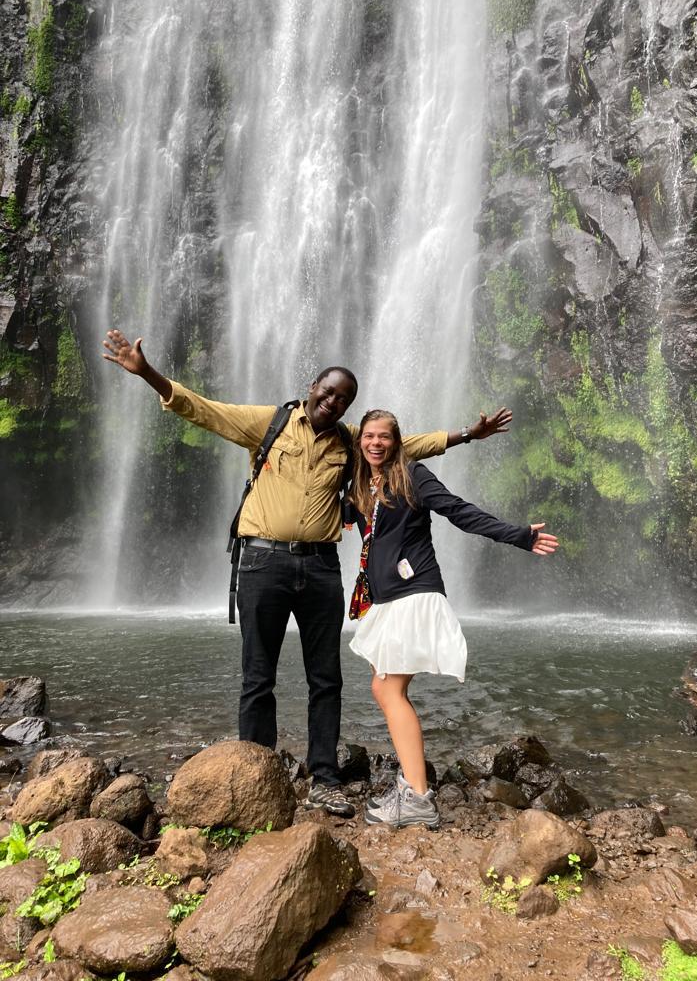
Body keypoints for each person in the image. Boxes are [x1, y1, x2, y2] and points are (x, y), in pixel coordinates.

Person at [102, 329, 515, 817]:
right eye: (329, 390)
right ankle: (255, 772)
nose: (333, 401)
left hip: (320, 567)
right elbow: (204, 409)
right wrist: (147, 373)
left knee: (327, 678)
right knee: (258, 675)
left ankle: (324, 777)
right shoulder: (270, 423)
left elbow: (402, 446)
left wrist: (467, 434)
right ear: (312, 386)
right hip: (262, 561)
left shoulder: (348, 443)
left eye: (343, 399)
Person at [348, 408, 558, 829]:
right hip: (389, 598)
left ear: (397, 440)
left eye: (384, 437)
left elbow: (459, 511)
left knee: (388, 689)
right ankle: (414, 787)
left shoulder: (413, 475)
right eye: (369, 436)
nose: (375, 443)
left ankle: (418, 797)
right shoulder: (362, 486)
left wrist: (519, 535)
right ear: (360, 442)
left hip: (414, 593)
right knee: (384, 685)